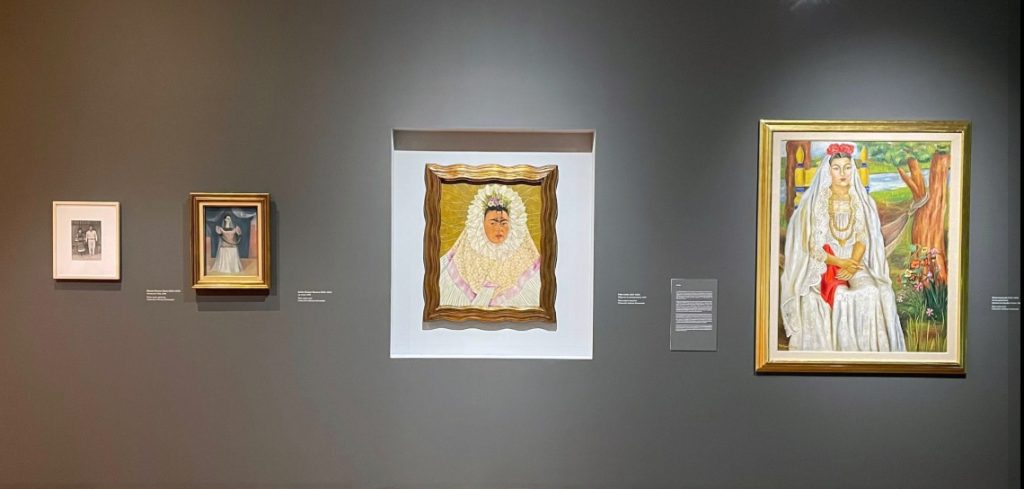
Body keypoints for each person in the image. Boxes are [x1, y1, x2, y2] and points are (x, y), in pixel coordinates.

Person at [779, 143, 906, 352]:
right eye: (837, 168)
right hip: (825, 263)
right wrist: (840, 262)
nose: (843, 173)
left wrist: (853, 262)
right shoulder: (818, 203)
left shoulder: (859, 202)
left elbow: (862, 239)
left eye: (847, 167)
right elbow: (814, 248)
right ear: (828, 171)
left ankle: (867, 351)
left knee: (872, 291)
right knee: (841, 295)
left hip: (854, 260)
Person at [438, 184, 541, 308]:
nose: (499, 229)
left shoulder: (524, 259)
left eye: (504, 223)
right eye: (493, 223)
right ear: (481, 224)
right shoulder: (465, 256)